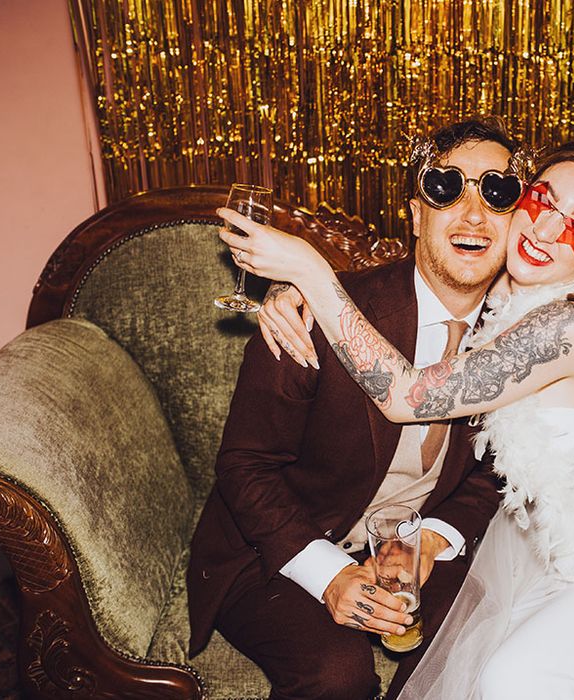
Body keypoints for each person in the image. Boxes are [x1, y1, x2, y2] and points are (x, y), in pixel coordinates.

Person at [220, 137, 574, 698]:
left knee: (513, 679)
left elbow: (403, 394)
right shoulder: (514, 293)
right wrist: (286, 294)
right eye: (542, 199)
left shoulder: (571, 325)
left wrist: (309, 271)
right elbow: (430, 268)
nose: (546, 230)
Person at [187, 117, 522, 700]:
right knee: (337, 675)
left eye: (496, 193)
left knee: (486, 652)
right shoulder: (316, 311)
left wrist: (433, 542)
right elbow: (245, 466)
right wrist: (330, 574)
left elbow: (498, 470)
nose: (473, 215)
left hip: (413, 548)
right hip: (281, 544)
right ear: (416, 215)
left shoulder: (521, 339)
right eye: (447, 189)